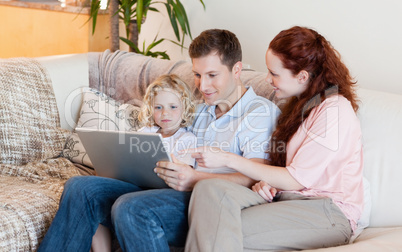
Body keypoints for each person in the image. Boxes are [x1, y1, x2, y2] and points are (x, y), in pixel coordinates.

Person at [38, 29, 280, 252]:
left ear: (237, 69)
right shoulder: (198, 109)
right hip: (167, 188)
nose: (203, 85)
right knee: (80, 188)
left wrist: (195, 178)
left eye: (212, 75)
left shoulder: (258, 112)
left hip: (209, 203)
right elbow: (164, 133)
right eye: (197, 75)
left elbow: (255, 176)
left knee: (131, 208)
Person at [185, 26, 364, 251]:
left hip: (327, 212)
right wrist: (267, 185)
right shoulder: (299, 108)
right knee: (209, 189)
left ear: (302, 76)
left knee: (216, 227)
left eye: (274, 73)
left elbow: (296, 179)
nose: (267, 79)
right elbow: (287, 174)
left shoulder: (335, 110)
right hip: (287, 202)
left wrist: (227, 159)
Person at [91, 74, 197, 251]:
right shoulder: (145, 132)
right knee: (94, 201)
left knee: (124, 205)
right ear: (151, 108)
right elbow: (127, 158)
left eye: (173, 107)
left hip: (162, 194)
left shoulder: (186, 139)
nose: (165, 113)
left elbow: (185, 174)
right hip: (135, 186)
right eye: (158, 107)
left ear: (184, 108)